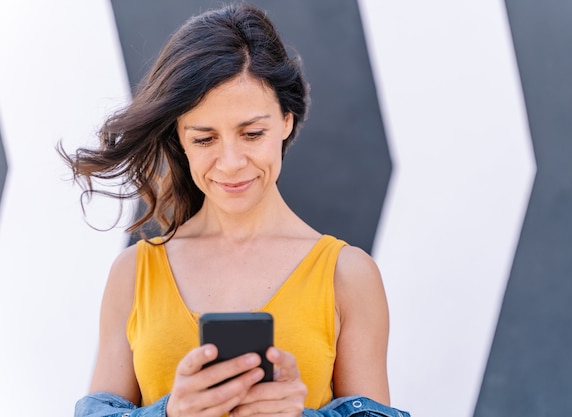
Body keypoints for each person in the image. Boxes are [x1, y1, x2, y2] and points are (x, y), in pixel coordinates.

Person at [61, 3, 392, 417]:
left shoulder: (348, 274)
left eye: (252, 133)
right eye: (204, 139)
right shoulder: (133, 274)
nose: (231, 162)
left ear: (286, 121)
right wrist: (170, 413)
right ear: (179, 137)